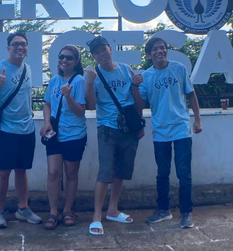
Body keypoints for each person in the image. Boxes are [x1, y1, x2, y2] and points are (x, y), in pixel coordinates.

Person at [136, 37, 202, 229]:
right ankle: (164, 210)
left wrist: (197, 119)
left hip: (181, 128)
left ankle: (186, 213)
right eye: (155, 49)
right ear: (148, 55)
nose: (160, 51)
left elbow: (191, 94)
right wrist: (135, 85)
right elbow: (140, 105)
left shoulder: (179, 68)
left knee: (184, 173)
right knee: (162, 173)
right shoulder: (146, 77)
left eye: (162, 48)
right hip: (160, 131)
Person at [84, 35, 145, 236]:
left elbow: (136, 100)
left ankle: (113, 209)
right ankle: (96, 216)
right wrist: (89, 83)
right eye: (96, 52)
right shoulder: (94, 75)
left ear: (110, 49)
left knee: (121, 171)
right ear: (94, 55)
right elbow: (91, 106)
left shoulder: (125, 69)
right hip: (107, 127)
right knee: (105, 172)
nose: (101, 54)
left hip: (128, 128)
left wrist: (139, 122)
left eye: (103, 49)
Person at [0, 32, 42, 228]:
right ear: (8, 48)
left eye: (23, 44)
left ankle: (23, 208)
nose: (20, 47)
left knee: (22, 170)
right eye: (15, 44)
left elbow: (26, 93)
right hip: (6, 129)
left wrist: (29, 108)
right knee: (4, 171)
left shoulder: (28, 69)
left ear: (27, 48)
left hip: (26, 128)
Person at [39, 45, 87, 229]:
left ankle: (67, 210)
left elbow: (80, 111)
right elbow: (47, 104)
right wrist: (46, 122)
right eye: (61, 56)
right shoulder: (54, 81)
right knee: (53, 173)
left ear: (76, 62)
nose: (64, 60)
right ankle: (53, 211)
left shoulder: (80, 81)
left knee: (71, 173)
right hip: (55, 133)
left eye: (69, 57)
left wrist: (68, 96)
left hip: (74, 134)